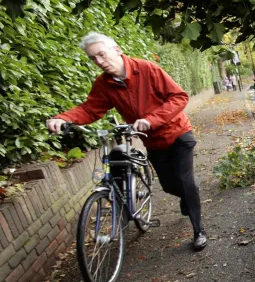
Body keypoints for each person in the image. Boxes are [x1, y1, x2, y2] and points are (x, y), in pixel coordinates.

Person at [46, 32, 208, 251]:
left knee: (186, 180)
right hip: (152, 142)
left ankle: (199, 231)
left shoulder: (147, 69)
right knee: (170, 186)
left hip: (178, 134)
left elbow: (179, 97)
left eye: (102, 55)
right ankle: (187, 198)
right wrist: (64, 118)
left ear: (117, 50)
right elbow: (91, 109)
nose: (99, 62)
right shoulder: (104, 84)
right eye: (94, 58)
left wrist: (152, 120)